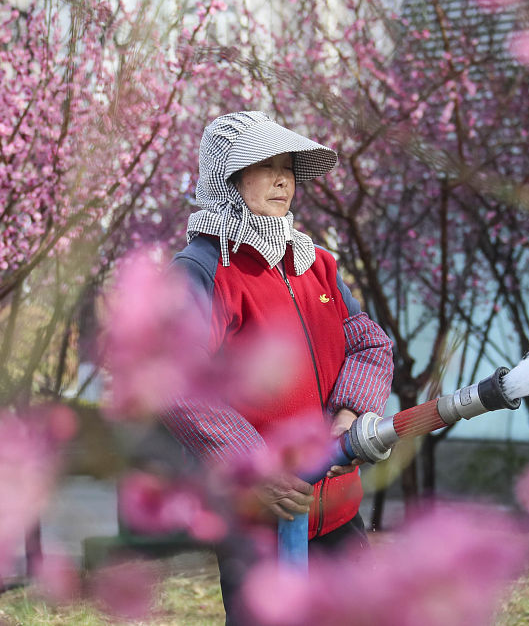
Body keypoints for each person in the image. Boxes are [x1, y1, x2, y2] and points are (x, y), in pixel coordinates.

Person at [163, 111, 394, 624]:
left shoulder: (316, 264)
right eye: (264, 165)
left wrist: (351, 413)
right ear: (228, 176)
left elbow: (370, 344)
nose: (283, 178)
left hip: (337, 512)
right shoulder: (204, 270)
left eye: (287, 164)